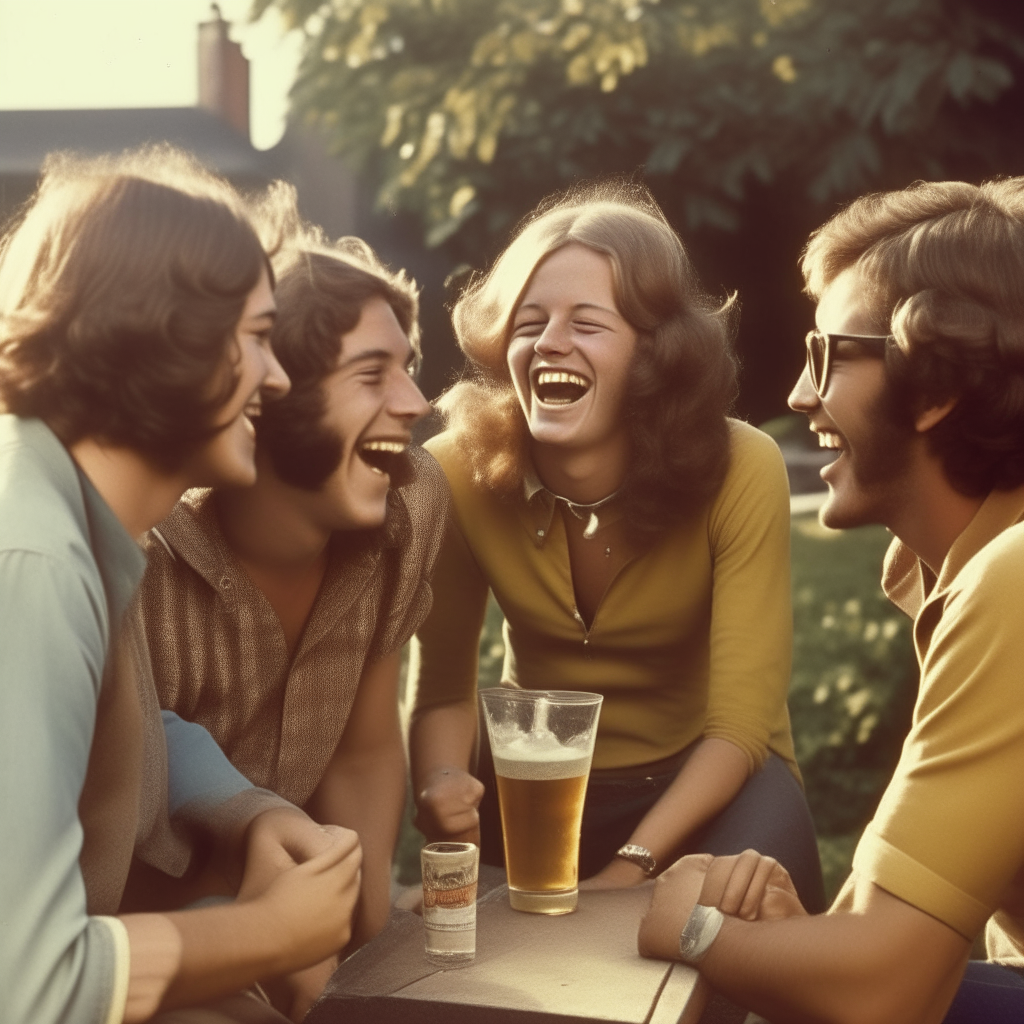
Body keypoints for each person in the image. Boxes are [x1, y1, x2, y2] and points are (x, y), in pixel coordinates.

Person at [638, 177, 1024, 1024]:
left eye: (828, 355)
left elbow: (882, 992)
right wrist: (801, 940)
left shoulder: (1014, 578)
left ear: (934, 388)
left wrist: (690, 929)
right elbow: (880, 941)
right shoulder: (959, 566)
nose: (800, 397)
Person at [0, 147, 363, 1024]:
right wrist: (269, 935)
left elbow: (107, 722)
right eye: (256, 338)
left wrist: (244, 811)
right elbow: (29, 985)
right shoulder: (35, 563)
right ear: (164, 334)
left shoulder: (72, 513)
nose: (275, 378)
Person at [409, 182, 825, 912]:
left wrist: (628, 871)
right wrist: (444, 785)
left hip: (714, 783)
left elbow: (737, 730)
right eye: (527, 321)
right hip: (540, 777)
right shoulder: (453, 471)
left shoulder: (742, 466)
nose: (549, 343)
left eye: (588, 324)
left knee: (700, 949)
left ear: (655, 353)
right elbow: (442, 690)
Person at [137, 207, 445, 950]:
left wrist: (358, 928)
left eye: (408, 370)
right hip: (144, 932)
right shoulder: (143, 553)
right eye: (373, 374)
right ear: (267, 391)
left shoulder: (410, 500)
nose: (416, 403)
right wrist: (267, 937)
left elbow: (364, 746)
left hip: (301, 916)